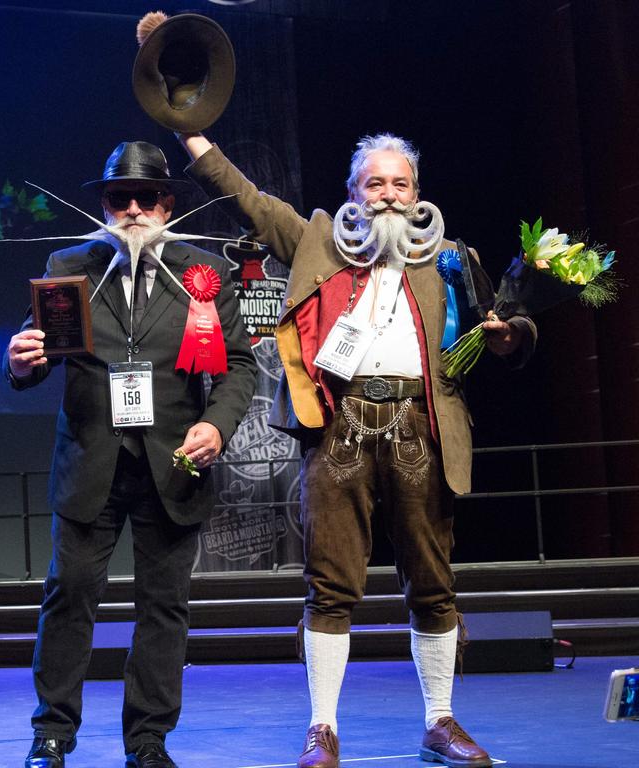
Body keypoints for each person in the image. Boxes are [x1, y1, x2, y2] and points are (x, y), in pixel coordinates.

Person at [177, 131, 535, 768]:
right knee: (330, 587)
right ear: (354, 194)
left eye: (400, 184)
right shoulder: (316, 240)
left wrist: (511, 338)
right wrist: (194, 135)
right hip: (338, 426)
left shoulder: (451, 257)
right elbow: (248, 201)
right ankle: (323, 728)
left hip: (421, 427)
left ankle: (440, 720)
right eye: (376, 184)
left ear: (418, 194)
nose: (389, 196)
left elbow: (505, 320)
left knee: (433, 584)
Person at [5, 141, 257, 768]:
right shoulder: (69, 267)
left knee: (164, 607)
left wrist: (217, 428)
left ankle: (148, 740)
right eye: (121, 199)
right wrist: (17, 364)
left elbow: (240, 368)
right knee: (68, 597)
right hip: (91, 463)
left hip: (176, 466)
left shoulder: (208, 274)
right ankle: (53, 733)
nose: (135, 210)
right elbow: (34, 358)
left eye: (149, 198)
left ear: (169, 205)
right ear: (104, 205)